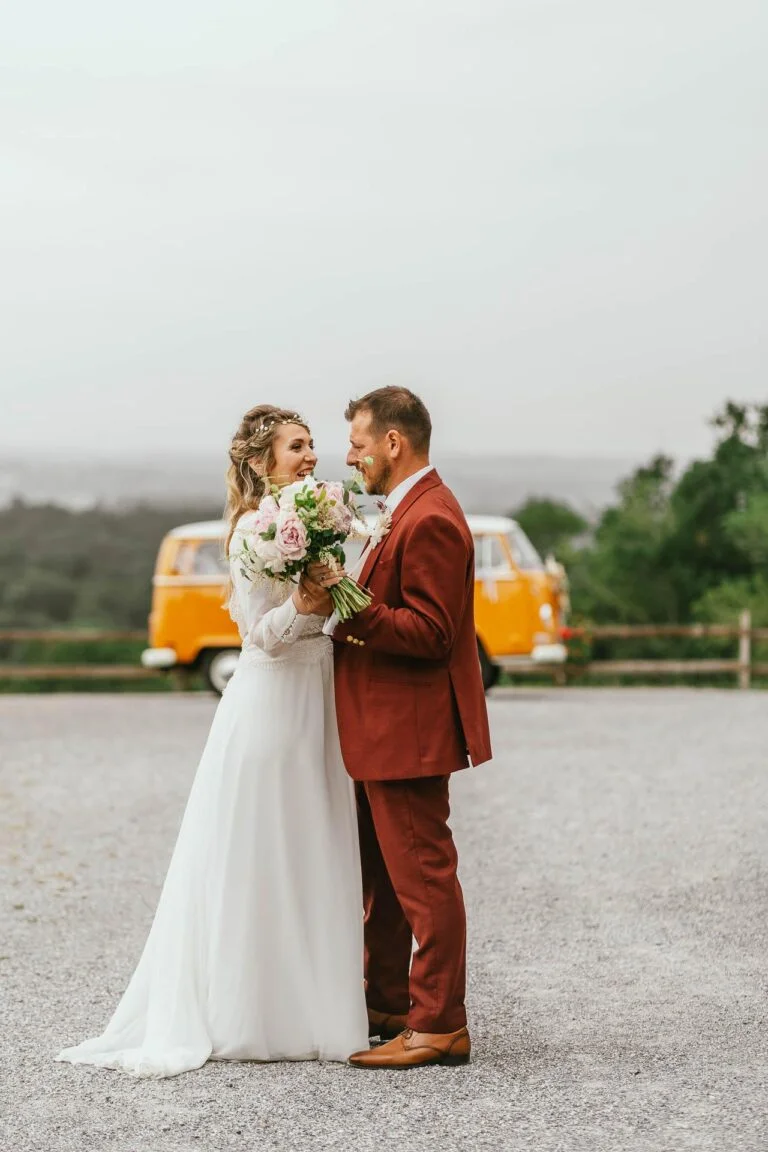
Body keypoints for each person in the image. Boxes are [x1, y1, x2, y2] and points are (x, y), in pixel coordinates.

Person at [56, 405, 368, 1078]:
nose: (311, 456)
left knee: (316, 839)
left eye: (312, 444)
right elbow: (260, 636)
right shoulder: (252, 532)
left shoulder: (326, 516)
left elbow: (337, 619)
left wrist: (338, 598)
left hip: (320, 697)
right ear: (262, 462)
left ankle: (324, 1010)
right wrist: (307, 607)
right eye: (296, 446)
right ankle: (250, 1013)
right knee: (265, 846)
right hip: (271, 702)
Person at [328, 385, 493, 1069]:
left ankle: (439, 1023)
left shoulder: (431, 519)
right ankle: (390, 1001)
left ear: (394, 443)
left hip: (409, 733)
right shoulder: (404, 510)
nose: (350, 457)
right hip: (382, 731)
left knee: (423, 879)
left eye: (359, 445)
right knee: (389, 882)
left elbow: (431, 632)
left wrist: (350, 605)